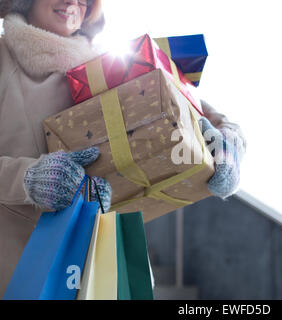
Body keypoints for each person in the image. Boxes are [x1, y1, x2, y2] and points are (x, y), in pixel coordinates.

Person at [0, 0, 247, 298]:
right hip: (18, 270)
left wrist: (228, 149)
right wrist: (27, 178)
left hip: (105, 269)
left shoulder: (109, 66)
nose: (73, 2)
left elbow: (212, 119)